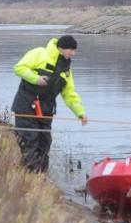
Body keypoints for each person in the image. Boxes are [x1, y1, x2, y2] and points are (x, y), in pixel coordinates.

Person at [11, 35, 88, 172]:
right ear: (63, 48)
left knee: (44, 145)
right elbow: (19, 68)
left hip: (45, 111)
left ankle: (41, 177)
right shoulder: (39, 53)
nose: (73, 54)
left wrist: (80, 113)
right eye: (72, 50)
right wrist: (36, 79)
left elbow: (70, 95)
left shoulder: (66, 71)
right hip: (26, 106)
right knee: (29, 141)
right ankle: (31, 176)